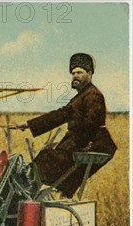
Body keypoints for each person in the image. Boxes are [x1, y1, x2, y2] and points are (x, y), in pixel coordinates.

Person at [16, 53, 117, 198]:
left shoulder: (93, 95)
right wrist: (28, 124)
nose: (75, 76)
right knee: (48, 156)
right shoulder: (81, 96)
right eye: (73, 73)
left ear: (89, 74)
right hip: (85, 141)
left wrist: (71, 146)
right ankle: (40, 194)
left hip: (95, 144)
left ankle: (26, 195)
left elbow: (90, 125)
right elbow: (60, 115)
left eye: (79, 72)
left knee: (47, 159)